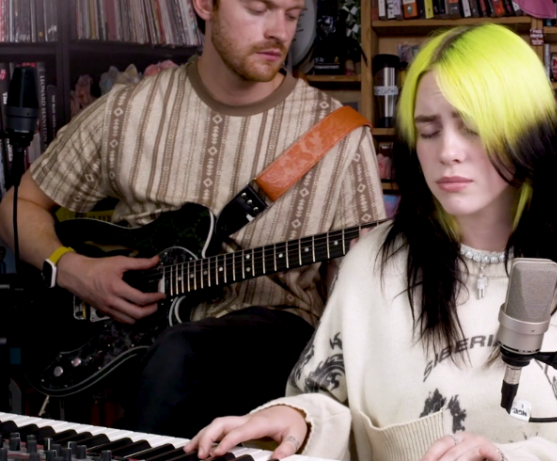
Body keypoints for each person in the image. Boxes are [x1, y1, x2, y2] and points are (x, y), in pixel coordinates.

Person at [185, 23, 557, 461]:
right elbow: (333, 403)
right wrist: (298, 420)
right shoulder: (373, 263)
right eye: (429, 131)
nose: (447, 152)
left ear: (528, 132)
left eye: (473, 127)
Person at [0, 0, 385, 438]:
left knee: (182, 352)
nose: (280, 30)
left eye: (292, 14)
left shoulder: (339, 137)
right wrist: (72, 268)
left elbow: (362, 303)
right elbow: (17, 208)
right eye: (260, 8)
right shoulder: (127, 112)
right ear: (205, 4)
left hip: (274, 349)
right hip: (133, 349)